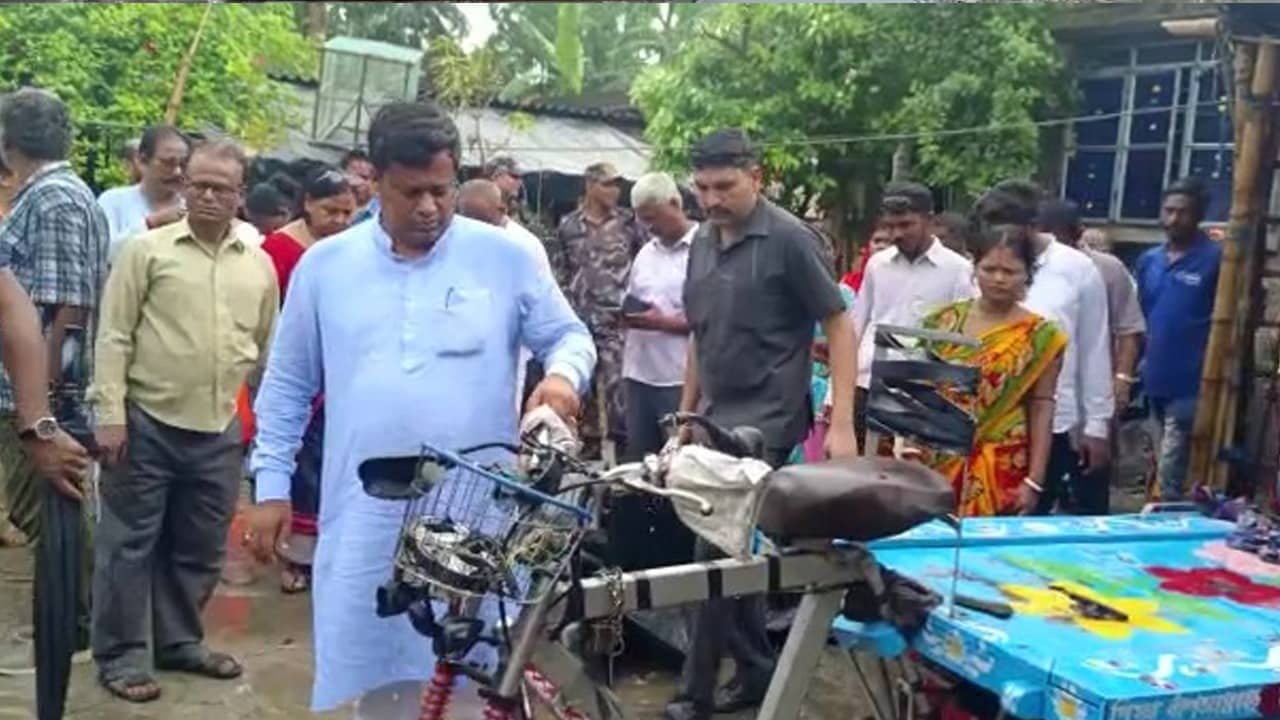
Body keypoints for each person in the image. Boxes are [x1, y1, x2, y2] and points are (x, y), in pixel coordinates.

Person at [245, 100, 595, 717]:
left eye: (442, 189)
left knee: (474, 682)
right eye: (411, 193)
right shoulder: (326, 267)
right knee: (369, 685)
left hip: (477, 524)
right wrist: (271, 486)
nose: (430, 207)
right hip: (364, 522)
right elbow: (288, 385)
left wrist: (563, 379)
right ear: (374, 181)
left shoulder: (505, 257)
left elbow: (569, 336)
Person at [666, 129, 857, 720]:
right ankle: (755, 669)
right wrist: (687, 414)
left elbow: (838, 323)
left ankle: (693, 694)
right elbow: (699, 335)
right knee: (733, 549)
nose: (712, 200)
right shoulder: (702, 239)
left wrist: (842, 420)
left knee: (712, 553)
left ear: (757, 177)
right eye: (702, 188)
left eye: (725, 187)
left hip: (767, 421)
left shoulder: (791, 239)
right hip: (714, 417)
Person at [89, 138, 279, 703]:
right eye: (199, 185)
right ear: (184, 186)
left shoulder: (258, 264)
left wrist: (265, 428)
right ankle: (121, 656)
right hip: (145, 422)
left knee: (199, 546)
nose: (208, 196)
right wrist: (110, 416)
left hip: (219, 427)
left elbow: (266, 350)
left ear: (241, 194)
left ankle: (178, 642)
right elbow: (113, 335)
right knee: (129, 545)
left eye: (222, 188)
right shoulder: (146, 251)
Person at [0, 88, 109, 552]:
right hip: (35, 400)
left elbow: (66, 309)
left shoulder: (54, 199)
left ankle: (77, 606)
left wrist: (44, 415)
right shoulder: (51, 195)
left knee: (54, 532)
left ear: (6, 141)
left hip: (35, 403)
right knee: (51, 531)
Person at [975, 181, 1113, 515]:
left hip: (1055, 421)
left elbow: (1094, 347)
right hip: (989, 425)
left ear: (1032, 226)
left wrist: (1096, 425)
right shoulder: (983, 267)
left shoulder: (1076, 268)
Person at [916, 222, 1067, 516]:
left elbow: (1042, 406)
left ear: (1028, 274)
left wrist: (1034, 480)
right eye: (989, 269)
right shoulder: (941, 322)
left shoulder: (1042, 336)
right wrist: (910, 450)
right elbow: (921, 391)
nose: (999, 279)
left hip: (1002, 464)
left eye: (1010, 272)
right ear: (974, 269)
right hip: (937, 460)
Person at [259, 168, 355, 594]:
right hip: (297, 367)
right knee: (300, 467)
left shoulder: (352, 251)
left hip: (341, 373)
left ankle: (328, 552)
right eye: (331, 210)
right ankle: (295, 556)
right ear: (308, 205)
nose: (339, 220)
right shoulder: (279, 249)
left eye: (347, 213)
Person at [850, 184, 973, 451]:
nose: (897, 234)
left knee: (912, 472)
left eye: (906, 225)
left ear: (930, 221)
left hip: (924, 393)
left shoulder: (958, 270)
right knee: (860, 468)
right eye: (890, 226)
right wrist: (835, 394)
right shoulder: (877, 265)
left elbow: (962, 340)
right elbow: (856, 327)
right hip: (867, 384)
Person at [549, 162, 646, 460]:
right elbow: (561, 271)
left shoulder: (629, 223)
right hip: (580, 320)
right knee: (584, 387)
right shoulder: (568, 226)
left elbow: (645, 263)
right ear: (590, 186)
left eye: (617, 185)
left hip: (617, 320)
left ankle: (625, 448)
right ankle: (588, 447)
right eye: (607, 184)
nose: (614, 191)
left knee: (619, 388)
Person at [1134, 178, 1221, 502]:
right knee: (1158, 456)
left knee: (1174, 460)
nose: (1173, 219)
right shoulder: (1149, 260)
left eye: (1182, 212)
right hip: (1153, 376)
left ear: (1198, 215)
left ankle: (1168, 510)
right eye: (1168, 211)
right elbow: (1140, 315)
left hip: (1194, 379)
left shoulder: (1215, 259)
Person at [1037, 200, 1145, 414]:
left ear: (1078, 233)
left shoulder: (1107, 268)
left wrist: (1122, 379)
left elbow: (1129, 329)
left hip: (1094, 385)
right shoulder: (1031, 265)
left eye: (1058, 239)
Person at [622, 172, 694, 462]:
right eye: (642, 219)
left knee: (679, 464)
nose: (648, 226)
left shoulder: (704, 250)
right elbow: (634, 301)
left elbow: (715, 322)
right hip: (639, 375)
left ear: (675, 203)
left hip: (679, 379)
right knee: (640, 464)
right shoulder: (646, 253)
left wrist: (662, 323)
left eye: (653, 217)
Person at [97, 124, 190, 265]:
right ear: (142, 161)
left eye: (183, 164)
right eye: (168, 163)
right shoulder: (113, 201)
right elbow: (103, 255)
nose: (177, 172)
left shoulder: (193, 206)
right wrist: (151, 223)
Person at [839, 220, 892, 292]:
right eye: (877, 241)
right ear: (868, 246)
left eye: (887, 242)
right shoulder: (848, 284)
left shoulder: (904, 281)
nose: (881, 246)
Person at [343, 148, 378, 223]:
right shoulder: (334, 210)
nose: (356, 182)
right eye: (351, 176)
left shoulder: (382, 212)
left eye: (363, 177)